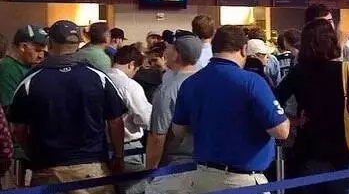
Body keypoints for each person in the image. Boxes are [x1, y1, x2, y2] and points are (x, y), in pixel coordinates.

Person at [9, 20, 126, 192]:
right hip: (92, 169)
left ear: (49, 44)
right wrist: (119, 156)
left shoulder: (30, 81)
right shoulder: (98, 77)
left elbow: (18, 129)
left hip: (47, 169)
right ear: (78, 45)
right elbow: (115, 121)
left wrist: (33, 153)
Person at [171, 25, 289, 193]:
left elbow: (178, 131)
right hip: (242, 180)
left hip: (202, 177)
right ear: (244, 49)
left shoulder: (190, 83)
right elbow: (281, 131)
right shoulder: (251, 82)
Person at [276, 19, 349, 194]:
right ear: (331, 41)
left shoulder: (299, 71)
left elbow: (274, 102)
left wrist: (295, 121)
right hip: (344, 153)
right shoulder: (348, 71)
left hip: (308, 151)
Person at [145, 32, 201, 194]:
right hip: (205, 166)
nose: (165, 52)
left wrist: (150, 171)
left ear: (177, 54)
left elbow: (157, 136)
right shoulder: (208, 82)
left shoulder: (168, 90)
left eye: (169, 48)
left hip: (175, 167)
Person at [107, 45, 152, 193]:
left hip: (101, 147)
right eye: (136, 69)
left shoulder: (99, 79)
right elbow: (145, 118)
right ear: (131, 64)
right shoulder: (129, 85)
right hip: (128, 148)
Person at [0, 25, 48, 111]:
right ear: (23, 47)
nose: (41, 56)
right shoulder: (7, 68)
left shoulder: (29, 65)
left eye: (44, 51)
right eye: (37, 50)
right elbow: (10, 109)